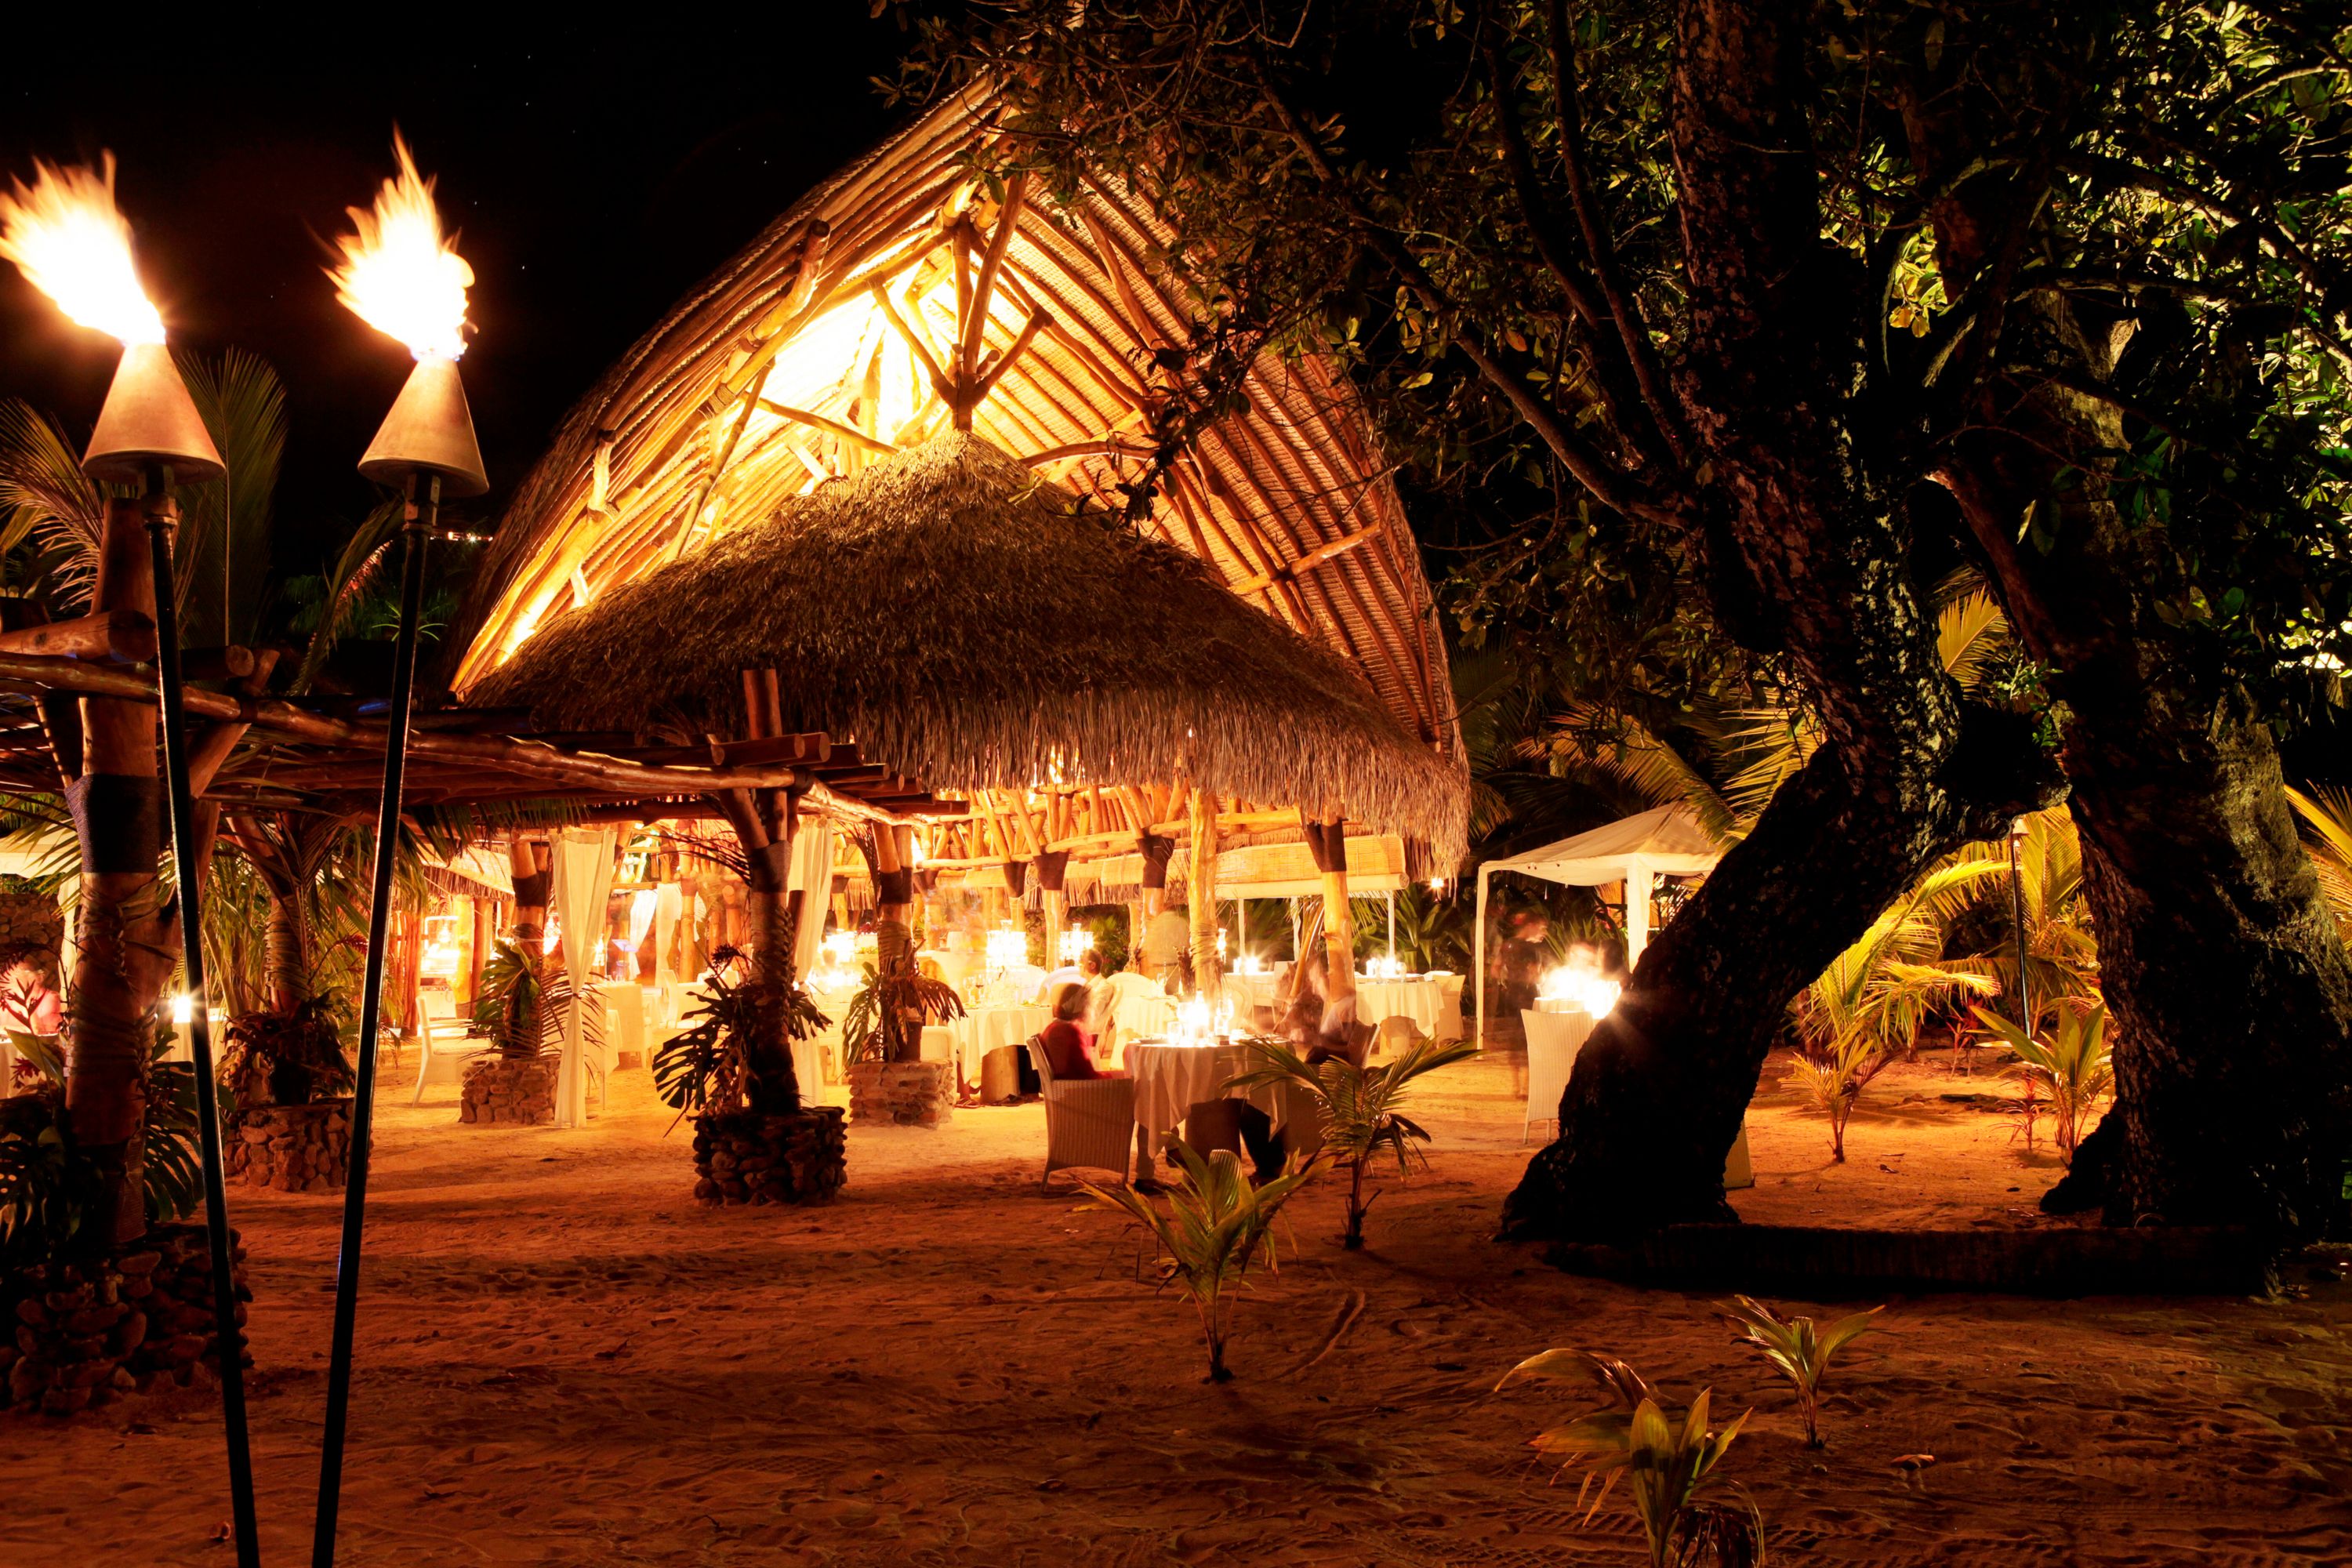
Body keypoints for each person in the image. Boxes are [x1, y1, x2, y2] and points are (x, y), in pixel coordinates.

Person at [1036, 982, 1122, 1081]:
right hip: (1079, 1090)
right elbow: (1087, 1074)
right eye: (1088, 1004)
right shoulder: (1072, 1032)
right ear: (1080, 1006)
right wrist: (1111, 1079)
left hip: (1063, 1087)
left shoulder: (1053, 1027)